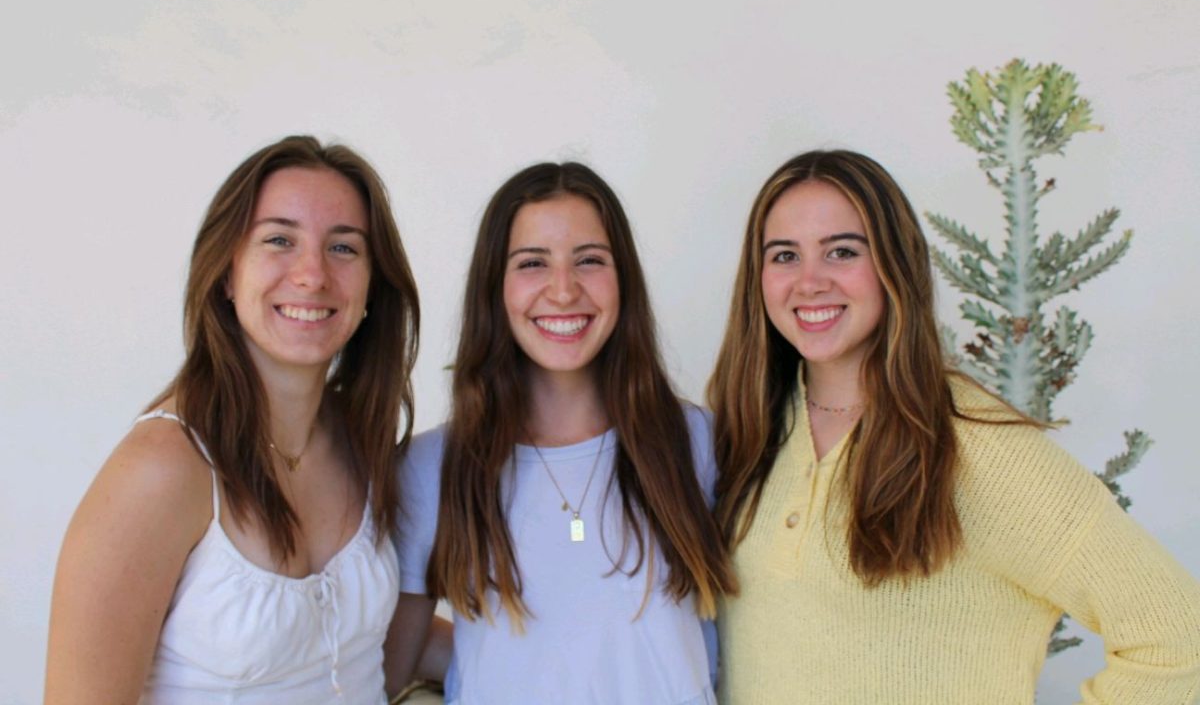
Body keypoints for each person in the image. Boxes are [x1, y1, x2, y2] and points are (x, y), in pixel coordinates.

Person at [708, 149, 1200, 704]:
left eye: (842, 251)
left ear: (896, 263)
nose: (809, 281)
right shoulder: (746, 435)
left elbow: (1180, 638)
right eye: (784, 256)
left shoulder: (980, 444)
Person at [46, 136, 425, 704]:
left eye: (344, 248)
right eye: (279, 240)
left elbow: (362, 647)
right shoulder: (162, 469)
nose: (312, 275)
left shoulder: (360, 439)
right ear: (226, 273)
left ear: (373, 284)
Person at [395, 162, 737, 704]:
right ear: (494, 287)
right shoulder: (431, 466)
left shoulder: (699, 441)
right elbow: (388, 663)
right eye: (532, 263)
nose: (562, 290)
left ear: (624, 278)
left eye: (590, 261)